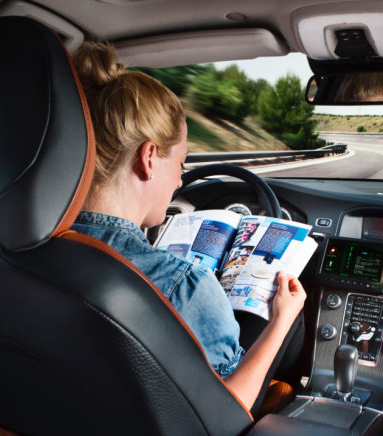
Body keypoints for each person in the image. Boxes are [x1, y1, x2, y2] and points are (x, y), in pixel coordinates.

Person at [68, 42, 306, 412]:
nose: (180, 181)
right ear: (149, 158)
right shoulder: (184, 286)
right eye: (181, 164)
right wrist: (282, 320)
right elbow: (227, 413)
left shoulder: (18, 250)